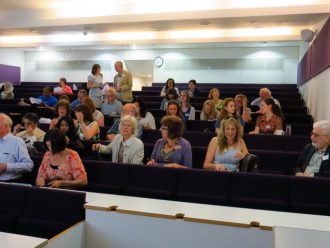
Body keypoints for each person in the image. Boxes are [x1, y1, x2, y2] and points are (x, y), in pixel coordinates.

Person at [0, 113, 34, 182]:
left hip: (9, 184)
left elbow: (28, 165)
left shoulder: (17, 142)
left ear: (6, 127)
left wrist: (6, 167)